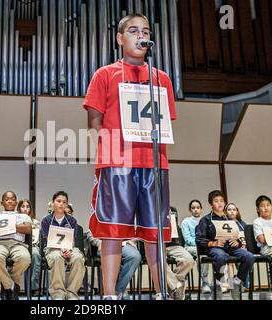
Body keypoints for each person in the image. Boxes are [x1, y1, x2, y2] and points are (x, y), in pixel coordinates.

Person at [83, 13, 177, 300]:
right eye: (133, 30)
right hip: (117, 163)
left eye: (145, 31)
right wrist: (114, 150)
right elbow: (94, 120)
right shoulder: (105, 74)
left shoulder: (161, 78)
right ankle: (110, 295)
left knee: (154, 232)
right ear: (120, 38)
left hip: (153, 163)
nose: (140, 35)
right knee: (113, 230)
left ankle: (161, 293)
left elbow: (166, 122)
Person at [196, 190, 254, 300]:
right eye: (216, 201)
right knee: (221, 256)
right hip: (215, 248)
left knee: (249, 256)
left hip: (231, 248)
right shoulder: (206, 220)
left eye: (222, 201)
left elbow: (238, 237)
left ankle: (236, 282)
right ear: (211, 204)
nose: (220, 203)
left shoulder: (230, 219)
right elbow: (199, 239)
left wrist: (237, 242)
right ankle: (218, 284)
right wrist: (213, 243)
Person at [41, 191, 85, 300]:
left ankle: (72, 293)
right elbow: (47, 239)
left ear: (66, 205)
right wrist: (60, 249)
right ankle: (58, 293)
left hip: (69, 247)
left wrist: (68, 250)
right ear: (53, 203)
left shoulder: (72, 221)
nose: (61, 204)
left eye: (64, 202)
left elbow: (72, 240)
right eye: (58, 201)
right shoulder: (46, 220)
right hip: (52, 247)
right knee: (57, 257)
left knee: (78, 258)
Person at [0, 191, 31, 300]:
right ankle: (12, 286)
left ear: (16, 201)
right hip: (0, 243)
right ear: (2, 202)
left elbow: (28, 229)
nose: (10, 201)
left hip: (18, 243)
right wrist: (17, 226)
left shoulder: (23, 216)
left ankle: (6, 287)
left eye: (12, 199)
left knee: (25, 258)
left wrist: (9, 226)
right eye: (7, 199)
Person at [86, 230, 140, 300]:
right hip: (105, 245)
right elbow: (90, 233)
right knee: (112, 257)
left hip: (125, 244)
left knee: (135, 256)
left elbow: (136, 233)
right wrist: (101, 243)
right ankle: (115, 293)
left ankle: (119, 290)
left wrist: (128, 242)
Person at [181, 199, 211, 294]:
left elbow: (209, 237)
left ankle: (221, 283)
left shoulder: (206, 221)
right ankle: (205, 283)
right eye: (193, 208)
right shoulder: (186, 222)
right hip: (190, 247)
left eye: (198, 207)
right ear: (190, 210)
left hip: (204, 246)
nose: (196, 210)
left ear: (201, 209)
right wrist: (202, 244)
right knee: (202, 254)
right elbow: (187, 239)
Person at [166, 207, 195, 300]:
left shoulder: (172, 209)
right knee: (157, 261)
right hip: (156, 246)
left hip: (174, 245)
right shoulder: (152, 209)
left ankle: (174, 286)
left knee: (189, 260)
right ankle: (176, 286)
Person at [16, 199, 41, 295]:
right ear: (19, 208)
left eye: (28, 207)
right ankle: (13, 287)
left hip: (33, 245)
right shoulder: (15, 220)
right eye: (23, 206)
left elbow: (37, 237)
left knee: (35, 254)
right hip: (19, 245)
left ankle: (33, 287)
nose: (25, 209)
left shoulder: (35, 222)